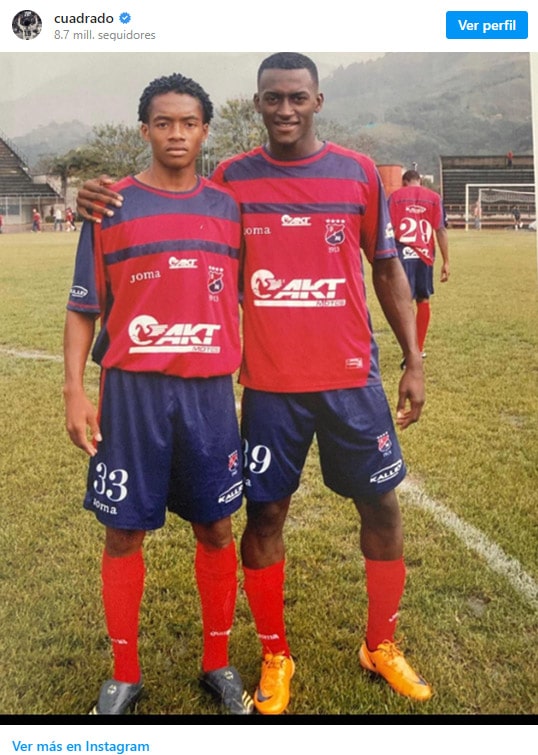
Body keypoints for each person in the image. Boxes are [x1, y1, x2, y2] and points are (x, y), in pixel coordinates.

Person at [77, 52, 431, 714]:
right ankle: (273, 653)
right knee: (265, 515)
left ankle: (380, 643)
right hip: (268, 385)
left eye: (298, 97)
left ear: (318, 101)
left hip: (352, 379)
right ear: (259, 103)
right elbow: (170, 195)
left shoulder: (357, 173)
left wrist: (413, 357)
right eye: (273, 98)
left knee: (382, 508)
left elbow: (387, 268)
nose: (286, 109)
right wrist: (93, 196)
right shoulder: (233, 181)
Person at [64, 72, 252, 716]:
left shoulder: (228, 207)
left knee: (217, 526)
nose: (177, 133)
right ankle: (123, 673)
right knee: (122, 533)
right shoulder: (109, 205)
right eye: (164, 122)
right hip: (130, 397)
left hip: (207, 396)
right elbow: (83, 308)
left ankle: (218, 662)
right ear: (144, 129)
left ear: (205, 130)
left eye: (189, 122)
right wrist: (74, 390)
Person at [388, 169, 449, 361]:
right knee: (423, 299)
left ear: (404, 182)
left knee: (403, 303)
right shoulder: (434, 197)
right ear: (419, 180)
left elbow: (388, 228)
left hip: (400, 255)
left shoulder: (395, 197)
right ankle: (418, 349)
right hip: (425, 254)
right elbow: (440, 230)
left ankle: (408, 350)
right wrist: (446, 261)